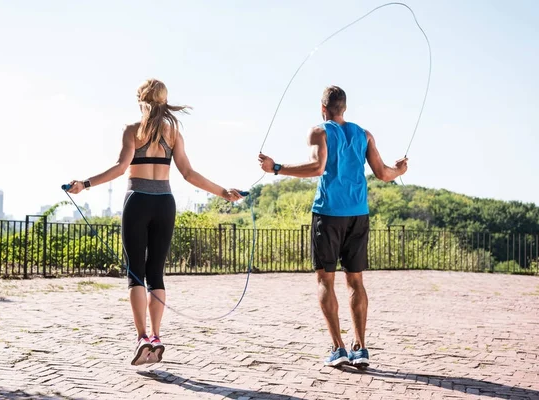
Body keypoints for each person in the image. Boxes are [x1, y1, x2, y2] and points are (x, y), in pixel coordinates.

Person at [65, 78, 243, 366]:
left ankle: (142, 338)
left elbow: (121, 168)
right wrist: (223, 192)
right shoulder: (173, 134)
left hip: (137, 200)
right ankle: (157, 337)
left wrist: (84, 184)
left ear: (141, 100)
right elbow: (189, 173)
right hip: (165, 204)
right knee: (156, 273)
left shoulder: (133, 131)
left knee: (136, 273)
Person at [258, 85, 408, 368]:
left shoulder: (319, 130)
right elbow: (384, 173)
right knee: (356, 281)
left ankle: (338, 348)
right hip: (358, 215)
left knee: (325, 280)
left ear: (323, 108)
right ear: (345, 108)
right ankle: (361, 348)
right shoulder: (364, 135)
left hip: (328, 214)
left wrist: (275, 167)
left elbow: (317, 167)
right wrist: (400, 170)